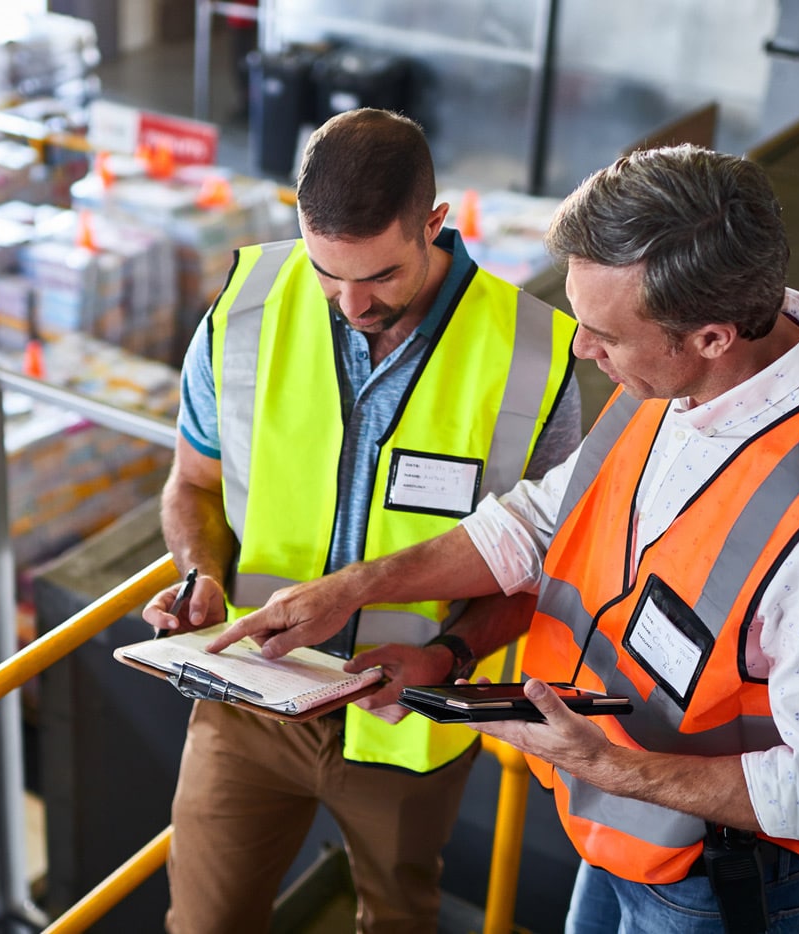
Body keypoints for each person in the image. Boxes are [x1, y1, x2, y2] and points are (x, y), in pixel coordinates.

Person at [212, 144, 799, 933]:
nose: (579, 349)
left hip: (723, 886)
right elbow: (536, 521)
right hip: (622, 835)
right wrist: (357, 588)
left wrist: (606, 763)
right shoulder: (676, 381)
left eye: (603, 333)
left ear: (711, 336)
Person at [140, 107, 583, 934]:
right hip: (250, 698)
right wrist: (198, 576)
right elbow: (192, 483)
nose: (350, 302)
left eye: (379, 275)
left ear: (434, 223)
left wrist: (447, 654)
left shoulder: (534, 356)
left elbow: (549, 565)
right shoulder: (244, 309)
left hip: (406, 726)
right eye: (325, 271)